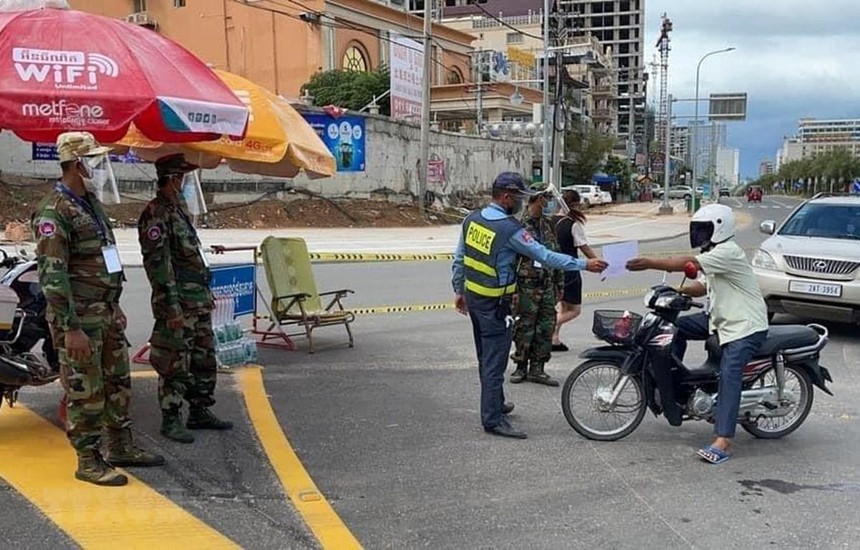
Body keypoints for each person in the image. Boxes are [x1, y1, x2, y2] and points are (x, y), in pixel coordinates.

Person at [34, 132, 165, 487]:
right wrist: (70, 327)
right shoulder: (54, 211)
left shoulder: (89, 203)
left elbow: (104, 258)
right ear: (78, 164)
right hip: (78, 320)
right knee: (85, 390)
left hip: (104, 313)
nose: (100, 165)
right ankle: (88, 460)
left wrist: (114, 304)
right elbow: (53, 276)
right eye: (94, 159)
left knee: (117, 382)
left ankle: (120, 446)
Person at [452, 172, 608, 440]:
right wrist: (584, 264)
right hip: (495, 305)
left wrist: (459, 290)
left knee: (485, 357)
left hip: (474, 299)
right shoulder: (510, 229)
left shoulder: (472, 219)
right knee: (494, 363)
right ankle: (492, 419)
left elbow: (460, 258)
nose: (523, 203)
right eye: (520, 198)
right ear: (506, 197)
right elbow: (544, 256)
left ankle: (496, 403)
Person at [626, 204, 768, 464]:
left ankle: (723, 441)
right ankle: (674, 385)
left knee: (730, 373)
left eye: (704, 229)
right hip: (719, 319)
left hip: (743, 326)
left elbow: (686, 263)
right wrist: (677, 294)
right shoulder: (714, 252)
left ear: (719, 228)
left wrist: (648, 262)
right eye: (697, 229)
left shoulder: (728, 252)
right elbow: (702, 287)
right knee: (673, 330)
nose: (700, 235)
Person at [138, 154, 233, 444]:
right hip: (178, 304)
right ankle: (171, 417)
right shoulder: (156, 214)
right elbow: (159, 264)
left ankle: (199, 410)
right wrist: (171, 307)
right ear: (172, 179)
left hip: (197, 301)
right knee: (175, 363)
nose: (184, 184)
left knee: (203, 359)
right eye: (182, 178)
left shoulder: (178, 210)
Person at [510, 183, 564, 387]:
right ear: (538, 199)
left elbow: (555, 254)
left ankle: (538, 368)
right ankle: (521, 366)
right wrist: (512, 289)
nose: (549, 202)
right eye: (546, 198)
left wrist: (559, 283)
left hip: (547, 283)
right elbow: (511, 260)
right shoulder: (517, 225)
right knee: (524, 326)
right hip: (525, 285)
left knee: (546, 326)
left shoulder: (548, 224)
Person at [551, 190, 599, 352]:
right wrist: (597, 261)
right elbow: (584, 248)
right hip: (570, 270)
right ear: (576, 204)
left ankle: (554, 339)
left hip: (551, 268)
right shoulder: (573, 223)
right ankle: (549, 328)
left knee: (563, 305)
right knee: (574, 309)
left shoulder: (549, 220)